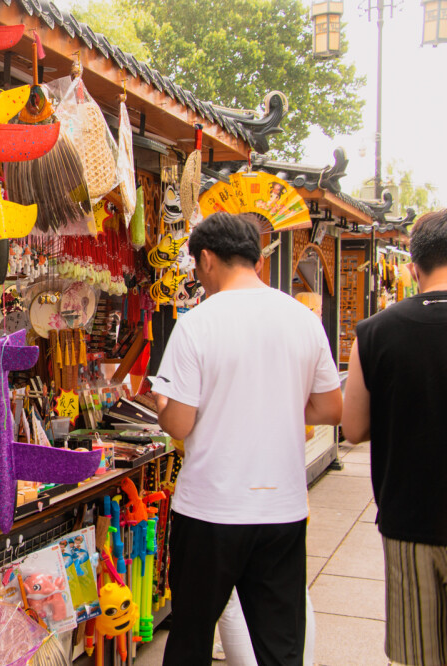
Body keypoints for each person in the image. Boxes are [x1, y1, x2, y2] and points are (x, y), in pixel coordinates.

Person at [150, 212, 342, 666]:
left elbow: (179, 424)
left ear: (209, 259)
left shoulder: (198, 323)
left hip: (211, 509)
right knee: (280, 642)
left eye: (197, 266)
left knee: (192, 637)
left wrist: (162, 406)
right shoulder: (302, 318)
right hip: (282, 509)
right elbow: (331, 408)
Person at [342, 209, 447, 666]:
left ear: (412, 263)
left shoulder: (373, 332)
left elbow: (354, 428)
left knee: (419, 657)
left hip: (408, 518)